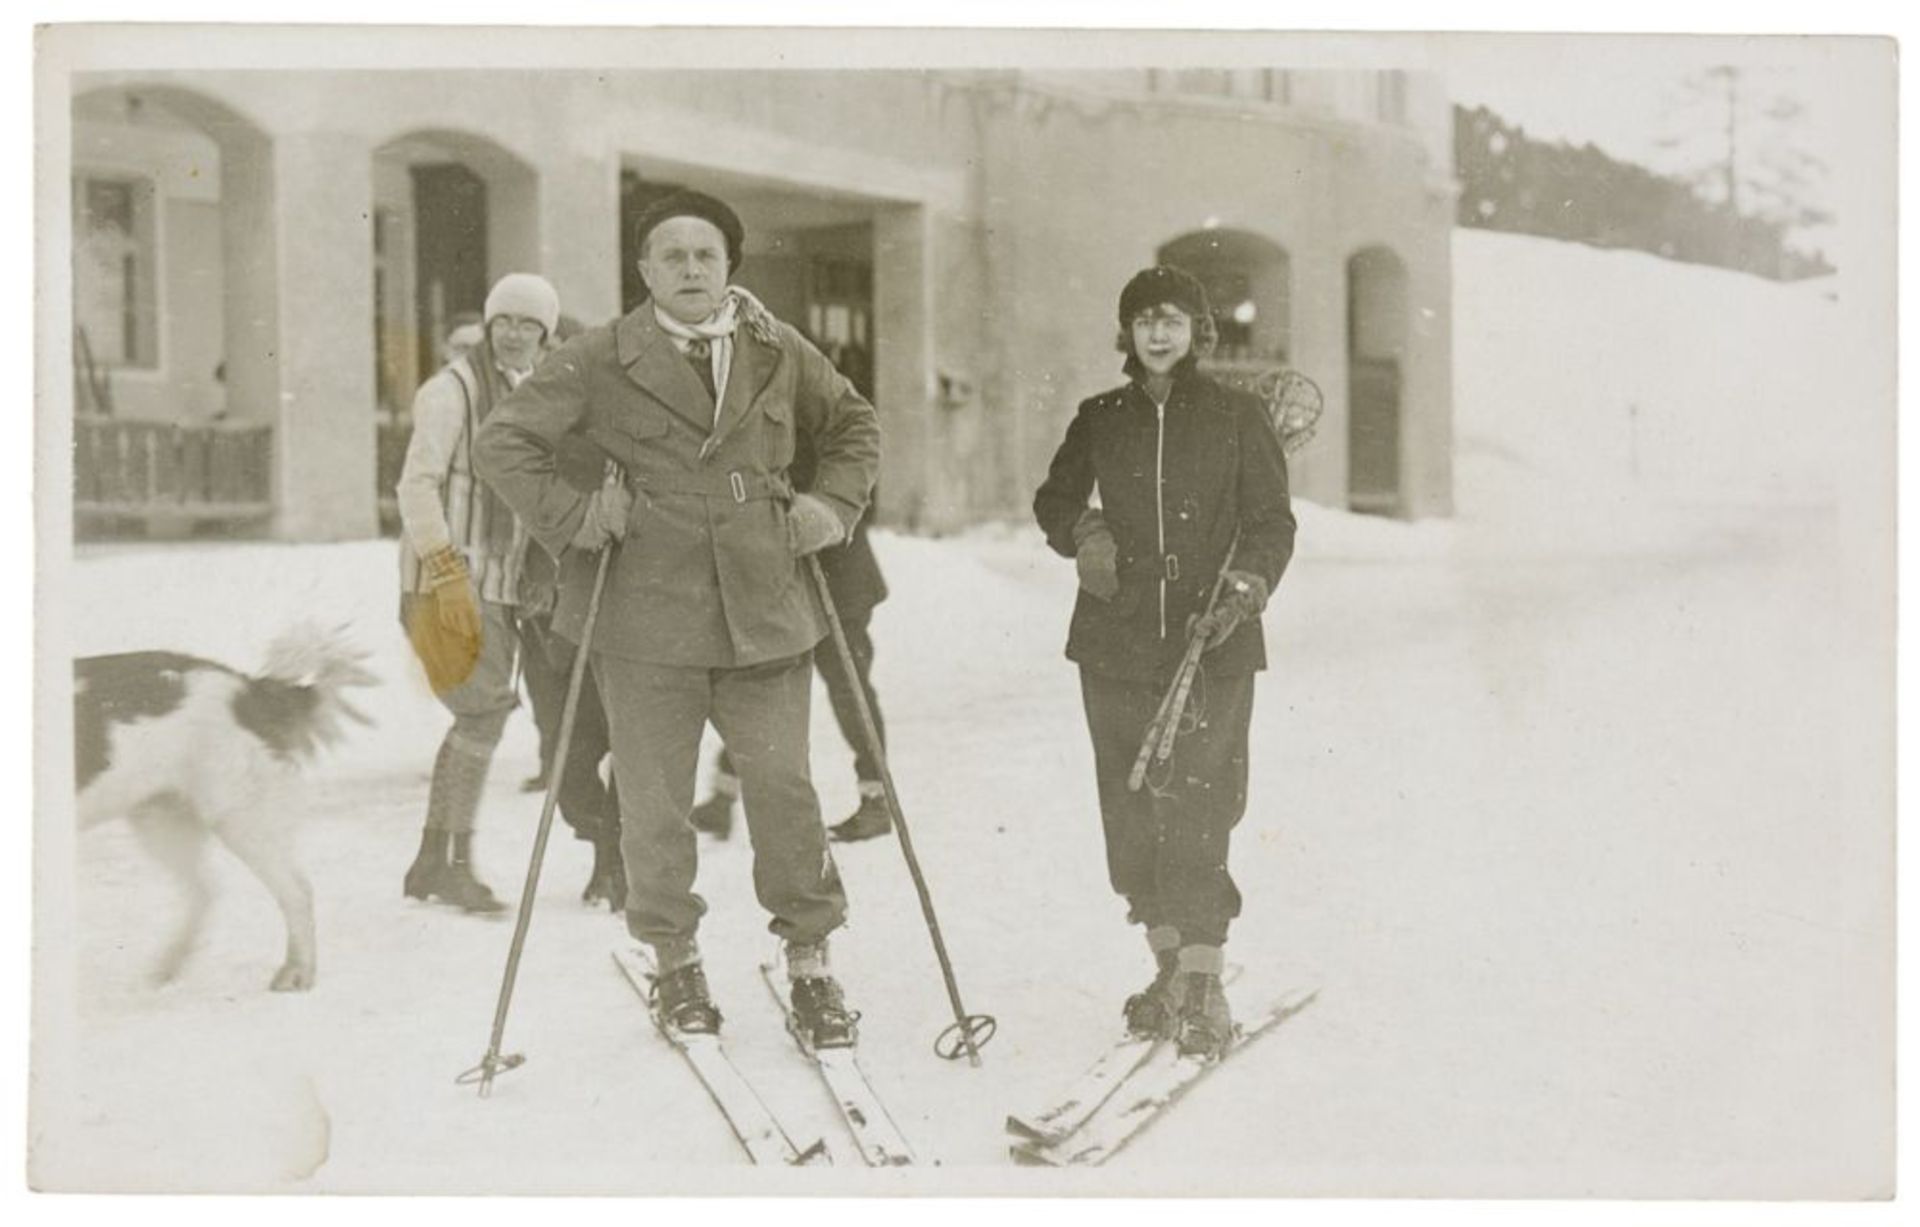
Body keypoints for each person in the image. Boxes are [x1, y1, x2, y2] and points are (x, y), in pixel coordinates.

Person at [474, 190, 881, 1049]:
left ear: (730, 265)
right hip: (645, 611)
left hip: (764, 604)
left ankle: (811, 962)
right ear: (645, 270)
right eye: (672, 255)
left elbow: (852, 423)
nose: (691, 268)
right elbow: (504, 441)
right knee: (655, 803)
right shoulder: (597, 357)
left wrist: (830, 507)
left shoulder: (775, 348)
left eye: (706, 254)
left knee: (784, 791)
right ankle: (676, 962)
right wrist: (579, 518)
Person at [1032, 266, 1295, 1060]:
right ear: (1127, 331)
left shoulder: (1238, 416)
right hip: (1114, 637)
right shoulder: (1099, 417)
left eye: (1173, 319)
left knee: (1202, 800)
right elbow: (1053, 501)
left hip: (1211, 635)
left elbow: (1271, 523)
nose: (1157, 333)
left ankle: (1204, 976)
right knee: (1130, 798)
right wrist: (1088, 535)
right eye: (1143, 319)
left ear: (1198, 331)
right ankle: (1166, 965)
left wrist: (1244, 590)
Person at [396, 272, 561, 915]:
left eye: (529, 324)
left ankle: (432, 860)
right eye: (505, 322)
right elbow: (416, 487)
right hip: (448, 581)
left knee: (477, 715)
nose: (515, 334)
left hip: (500, 581)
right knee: (484, 713)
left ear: (545, 334)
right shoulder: (451, 392)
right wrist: (446, 575)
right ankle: (453, 863)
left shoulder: (530, 392)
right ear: (489, 328)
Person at [688, 426, 893, 844]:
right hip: (783, 578)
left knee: (848, 685)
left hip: (838, 574)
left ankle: (877, 800)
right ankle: (724, 798)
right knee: (763, 685)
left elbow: (849, 470)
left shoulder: (802, 395)